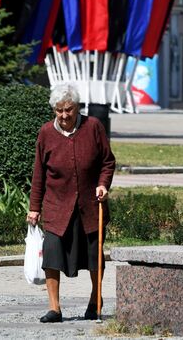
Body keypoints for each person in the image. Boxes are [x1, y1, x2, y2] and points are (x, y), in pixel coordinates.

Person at [27, 84, 115, 323]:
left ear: (77, 107)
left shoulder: (93, 127)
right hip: (57, 206)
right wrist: (34, 207)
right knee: (52, 254)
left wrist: (103, 184)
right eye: (59, 110)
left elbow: (108, 162)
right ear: (54, 110)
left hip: (90, 205)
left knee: (94, 256)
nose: (64, 115)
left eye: (69, 109)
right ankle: (54, 308)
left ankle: (96, 299)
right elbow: (39, 174)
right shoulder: (46, 133)